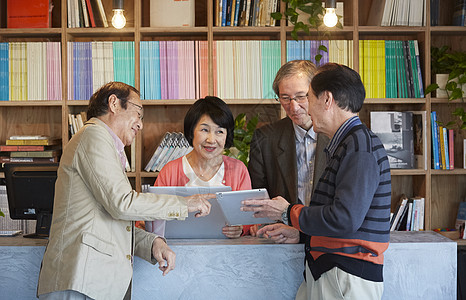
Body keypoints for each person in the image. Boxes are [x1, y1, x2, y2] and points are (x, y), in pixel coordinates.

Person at [37, 82, 212, 300]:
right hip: (81, 282)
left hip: (94, 283)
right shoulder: (94, 136)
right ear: (114, 103)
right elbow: (122, 204)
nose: (140, 124)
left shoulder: (103, 144)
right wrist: (183, 204)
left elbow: (112, 220)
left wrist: (152, 243)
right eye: (138, 113)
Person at [243, 63, 392, 300]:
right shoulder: (349, 143)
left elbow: (343, 219)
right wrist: (301, 234)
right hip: (330, 270)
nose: (302, 109)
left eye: (307, 98)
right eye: (285, 98)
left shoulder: (358, 146)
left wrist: (288, 211)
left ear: (327, 100)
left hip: (344, 274)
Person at [146, 96, 252, 239]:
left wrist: (240, 229)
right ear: (191, 132)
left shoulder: (239, 170)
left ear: (227, 135)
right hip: (178, 251)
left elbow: (248, 217)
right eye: (204, 130)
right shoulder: (170, 170)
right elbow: (153, 214)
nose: (211, 140)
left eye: (219, 131)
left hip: (227, 252)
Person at [247, 60, 329, 236]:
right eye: (285, 98)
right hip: (280, 237)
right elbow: (259, 195)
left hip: (327, 239)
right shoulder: (265, 139)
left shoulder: (335, 136)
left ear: (316, 93)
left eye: (301, 96)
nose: (293, 107)